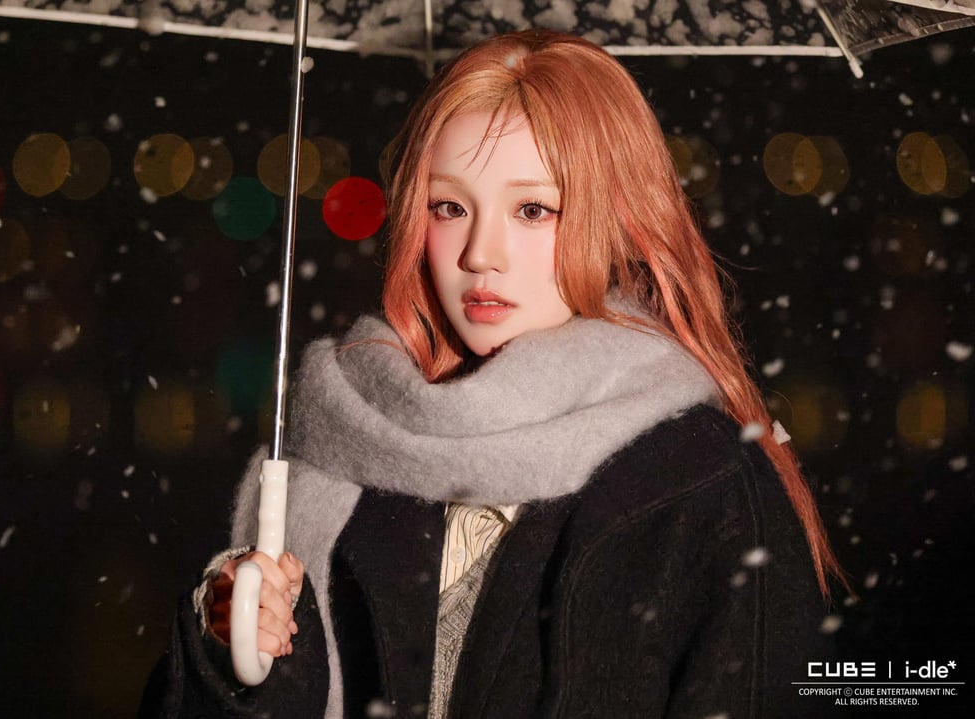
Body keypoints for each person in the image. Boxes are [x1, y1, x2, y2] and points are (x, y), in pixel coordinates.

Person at [140, 29, 845, 719]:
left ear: (615, 218)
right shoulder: (351, 442)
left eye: (532, 209)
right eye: (450, 207)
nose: (480, 252)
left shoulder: (701, 479)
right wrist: (233, 653)